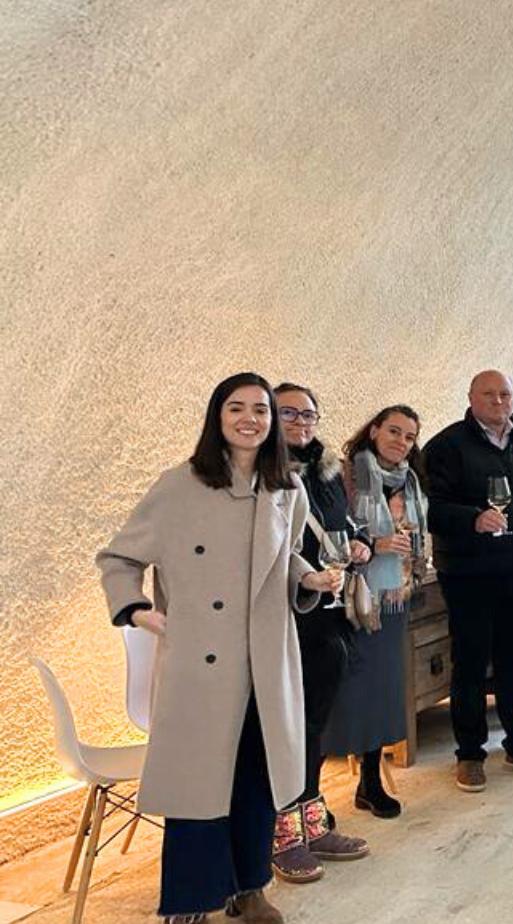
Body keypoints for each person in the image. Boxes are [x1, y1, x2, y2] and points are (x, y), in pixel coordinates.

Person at [98, 372, 342, 924]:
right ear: (217, 417)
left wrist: (309, 580)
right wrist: (135, 610)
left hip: (265, 657)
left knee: (255, 775)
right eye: (237, 408)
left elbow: (281, 562)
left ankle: (249, 886)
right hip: (200, 662)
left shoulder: (288, 490)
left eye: (261, 410)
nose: (250, 419)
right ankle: (191, 901)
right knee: (200, 784)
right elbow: (118, 558)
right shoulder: (179, 485)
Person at [422, 370, 513, 793]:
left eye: (505, 394)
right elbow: (431, 508)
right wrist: (472, 519)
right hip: (470, 573)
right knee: (470, 664)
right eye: (489, 394)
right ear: (471, 397)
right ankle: (469, 754)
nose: (498, 401)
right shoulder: (446, 446)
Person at [264, 384, 371, 883]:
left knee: (315, 725)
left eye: (309, 414)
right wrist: (307, 573)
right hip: (281, 618)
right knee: (283, 732)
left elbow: (343, 527)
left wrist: (362, 545)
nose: (301, 422)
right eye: (288, 412)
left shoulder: (327, 471)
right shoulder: (257, 473)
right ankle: (279, 835)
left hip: (327, 614)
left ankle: (312, 819)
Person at [325, 404, 429, 818]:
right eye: (394, 431)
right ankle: (308, 798)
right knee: (340, 696)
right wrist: (372, 543)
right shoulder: (343, 477)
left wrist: (411, 553)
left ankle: (370, 782)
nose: (401, 442)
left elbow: (418, 537)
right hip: (351, 601)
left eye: (409, 436)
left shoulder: (412, 481)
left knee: (383, 695)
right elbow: (326, 533)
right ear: (373, 431)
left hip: (391, 600)